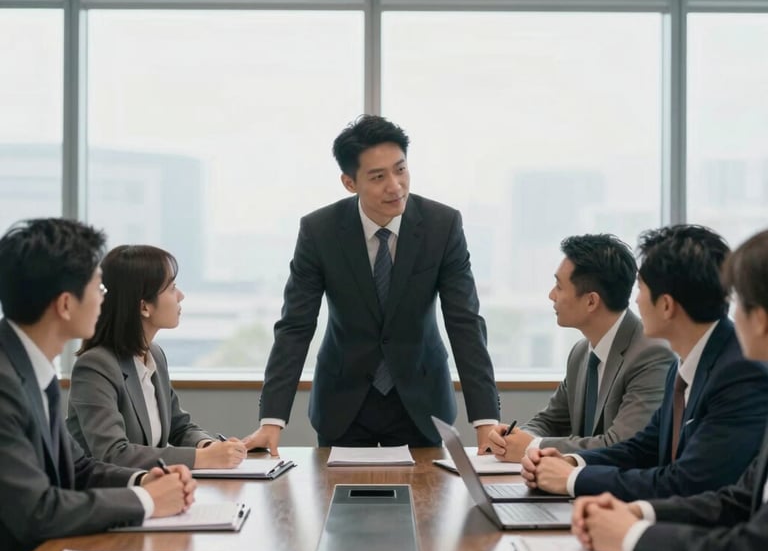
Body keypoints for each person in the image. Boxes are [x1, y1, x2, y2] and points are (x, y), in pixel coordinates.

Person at [245, 114, 499, 453]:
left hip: (421, 401)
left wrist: (486, 421)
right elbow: (295, 326)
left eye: (401, 169)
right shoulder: (319, 231)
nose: (394, 185)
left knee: (427, 504)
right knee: (338, 503)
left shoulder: (443, 225)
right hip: (343, 402)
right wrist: (272, 420)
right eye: (378, 177)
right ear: (350, 183)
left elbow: (464, 322)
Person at [572, 228, 768, 551]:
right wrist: (639, 513)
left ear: (760, 319)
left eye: (741, 301)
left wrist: (631, 535)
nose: (732, 312)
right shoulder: (680, 366)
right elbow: (739, 499)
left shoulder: (741, 372)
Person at [0, 219, 195, 551]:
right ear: (65, 305)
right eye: (98, 287)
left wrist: (141, 480)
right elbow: (37, 512)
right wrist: (146, 501)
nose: (105, 298)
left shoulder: (29, 367)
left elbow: (78, 467)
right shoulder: (5, 383)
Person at [521, 224, 768, 501]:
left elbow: (687, 483)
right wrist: (574, 463)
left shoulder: (739, 373)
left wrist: (574, 479)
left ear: (666, 305)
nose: (635, 300)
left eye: (640, 288)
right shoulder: (684, 366)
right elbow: (643, 448)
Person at [488, 234, 673, 462]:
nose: (551, 295)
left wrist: (532, 446)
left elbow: (621, 443)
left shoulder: (651, 353)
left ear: (591, 301)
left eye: (558, 286)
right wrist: (515, 438)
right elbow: (551, 421)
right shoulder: (580, 352)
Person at [67, 245, 247, 470]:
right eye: (172, 288)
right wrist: (203, 459)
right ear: (144, 307)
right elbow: (113, 454)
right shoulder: (95, 366)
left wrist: (208, 446)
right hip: (104, 497)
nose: (181, 296)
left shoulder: (155, 355)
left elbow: (178, 426)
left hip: (150, 492)